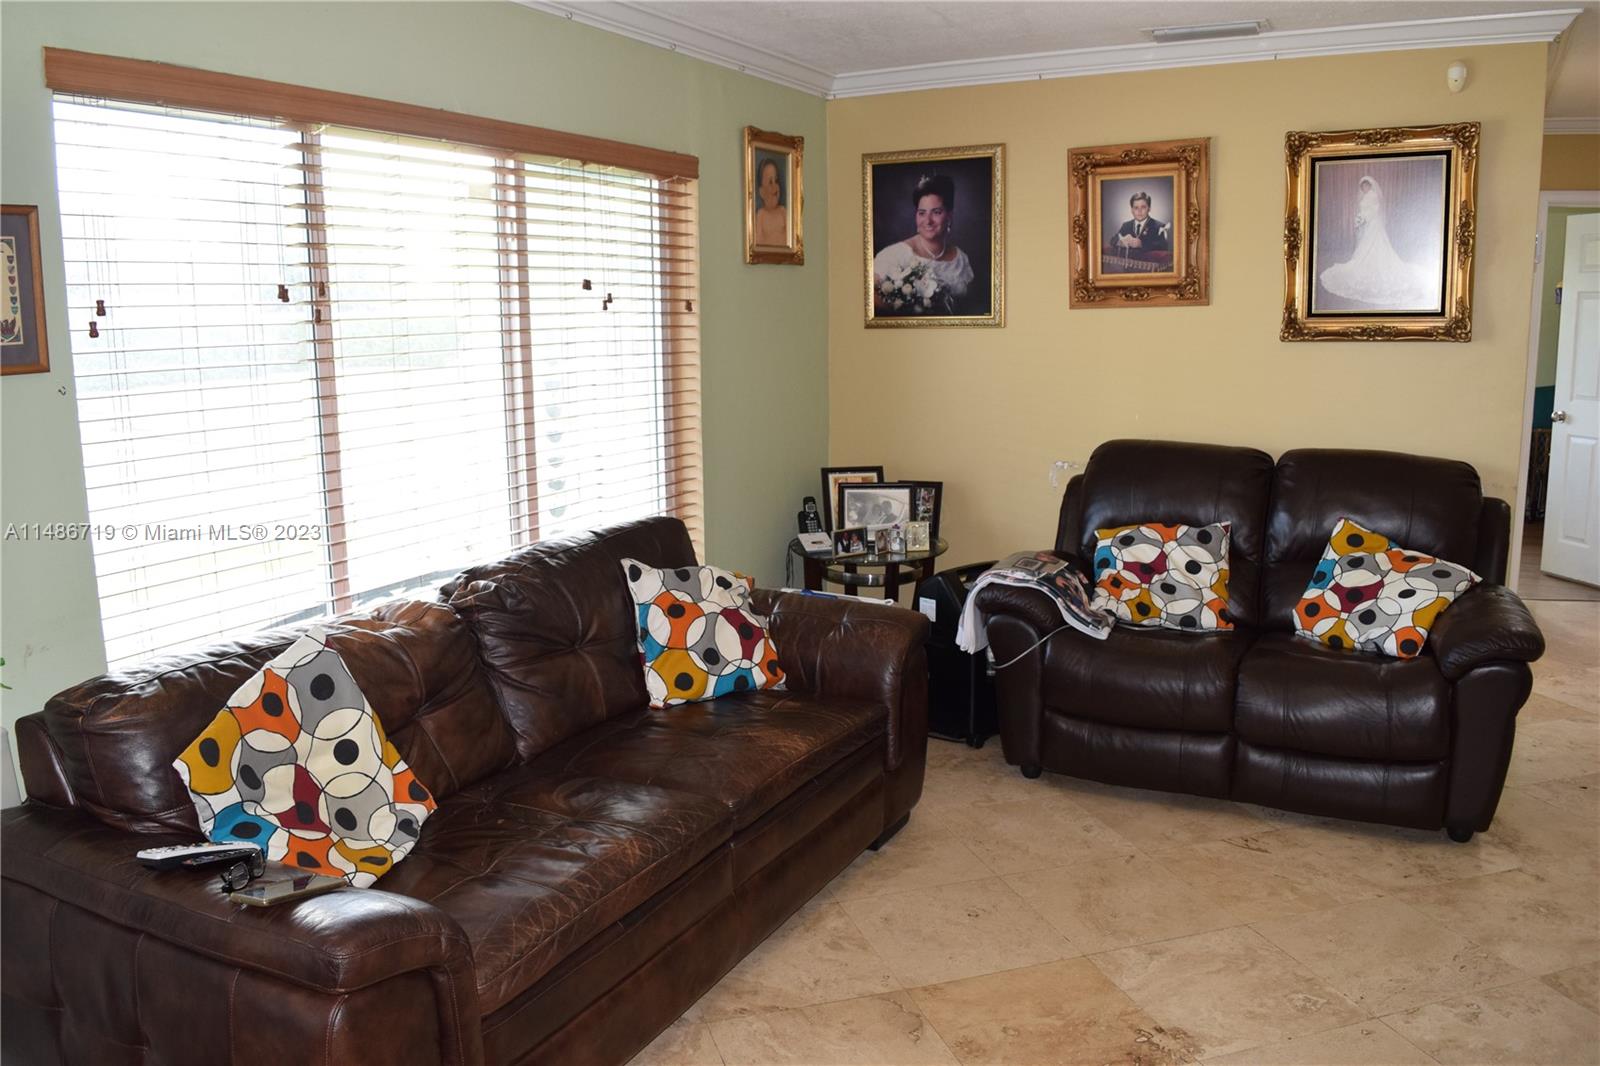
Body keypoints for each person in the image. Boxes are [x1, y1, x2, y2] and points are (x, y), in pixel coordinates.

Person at [1318, 175, 1436, 309]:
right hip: (1368, 223)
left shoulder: (1373, 195)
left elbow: (1374, 210)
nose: (1364, 188)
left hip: (1373, 224)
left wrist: (1363, 218)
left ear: (1370, 186)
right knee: (1366, 245)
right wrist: (1360, 218)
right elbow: (1364, 210)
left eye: (1366, 185)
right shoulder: (1365, 196)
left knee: (1374, 243)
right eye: (1362, 186)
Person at [872, 174, 975, 312]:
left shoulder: (961, 260)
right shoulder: (894, 255)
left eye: (936, 212)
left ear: (949, 216)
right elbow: (869, 297)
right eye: (922, 213)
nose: (928, 220)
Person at [752, 158, 787, 247]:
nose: (775, 186)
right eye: (770, 182)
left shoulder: (783, 211)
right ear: (762, 192)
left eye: (776, 181)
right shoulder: (761, 215)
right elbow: (758, 243)